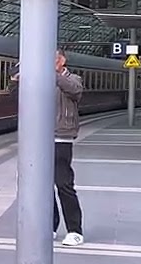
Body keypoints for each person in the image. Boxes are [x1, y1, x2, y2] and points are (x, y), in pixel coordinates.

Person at [9, 50, 85, 246]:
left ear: (62, 60)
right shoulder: (37, 80)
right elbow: (17, 98)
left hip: (61, 138)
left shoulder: (72, 79)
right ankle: (50, 225)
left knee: (63, 184)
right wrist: (17, 79)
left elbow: (75, 91)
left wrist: (52, 75)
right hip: (37, 139)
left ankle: (75, 230)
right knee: (42, 186)